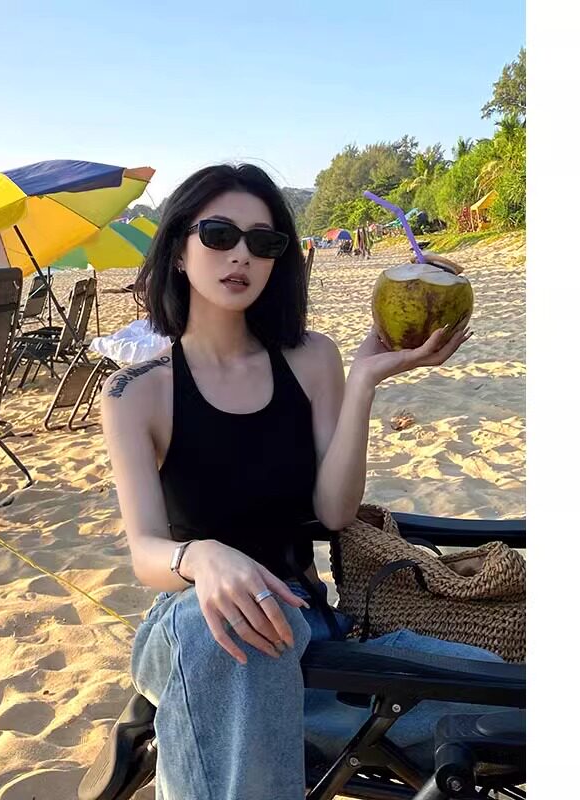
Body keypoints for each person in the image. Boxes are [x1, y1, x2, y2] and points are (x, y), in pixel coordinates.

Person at [101, 164, 481, 799]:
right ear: (178, 251)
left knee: (505, 702)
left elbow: (335, 512)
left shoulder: (313, 359)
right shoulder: (136, 392)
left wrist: (363, 381)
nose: (241, 254)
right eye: (219, 234)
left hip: (309, 626)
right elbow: (145, 553)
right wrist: (205, 557)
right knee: (235, 624)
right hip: (192, 623)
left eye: (264, 241)